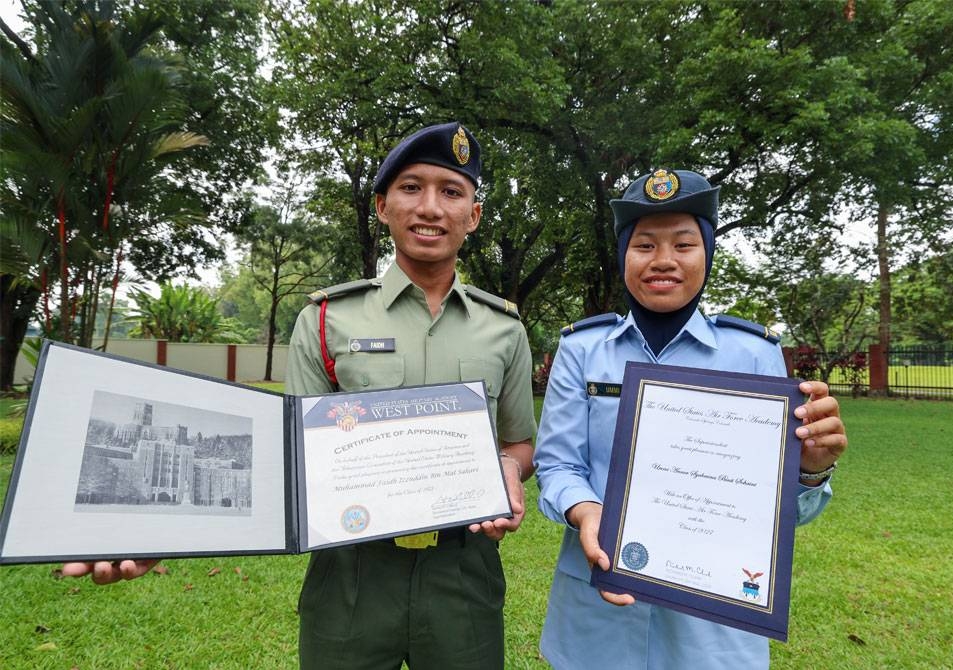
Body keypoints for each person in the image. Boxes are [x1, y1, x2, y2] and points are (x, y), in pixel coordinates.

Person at [62, 122, 537, 670]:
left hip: (464, 572)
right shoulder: (326, 317)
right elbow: (291, 460)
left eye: (451, 192)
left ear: (472, 216)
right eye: (411, 187)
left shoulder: (504, 329)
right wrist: (164, 527)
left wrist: (506, 467)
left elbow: (519, 443)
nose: (430, 206)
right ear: (382, 207)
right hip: (351, 574)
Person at [532, 168, 848, 669]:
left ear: (707, 254)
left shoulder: (754, 355)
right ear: (622, 257)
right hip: (596, 613)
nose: (663, 261)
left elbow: (779, 512)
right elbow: (557, 467)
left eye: (683, 244)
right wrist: (586, 512)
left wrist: (809, 469)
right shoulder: (581, 349)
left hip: (711, 628)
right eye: (643, 246)